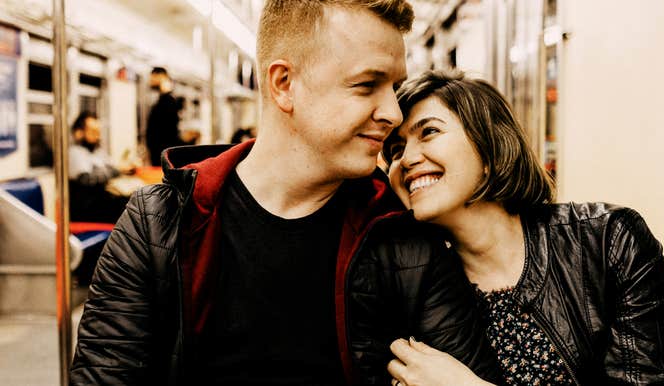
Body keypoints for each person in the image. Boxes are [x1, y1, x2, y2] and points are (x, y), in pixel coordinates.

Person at [70, 2, 500, 385]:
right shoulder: (158, 223)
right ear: (284, 84)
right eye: (367, 85)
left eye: (393, 87)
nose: (392, 113)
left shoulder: (402, 236)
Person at [382, 70, 664, 386]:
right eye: (395, 149)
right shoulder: (409, 282)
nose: (406, 159)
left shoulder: (609, 241)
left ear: (490, 146)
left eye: (429, 131)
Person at [68, 111, 129, 224]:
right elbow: (87, 179)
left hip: (100, 203)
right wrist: (115, 170)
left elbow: (111, 167)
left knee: (134, 202)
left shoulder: (96, 151)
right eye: (93, 132)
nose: (98, 136)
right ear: (78, 133)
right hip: (85, 210)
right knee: (127, 209)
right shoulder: (74, 153)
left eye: (98, 132)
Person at [146, 67, 186, 166]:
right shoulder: (162, 100)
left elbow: (168, 130)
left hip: (163, 153)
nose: (150, 81)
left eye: (153, 77)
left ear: (162, 76)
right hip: (159, 153)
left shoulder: (169, 101)